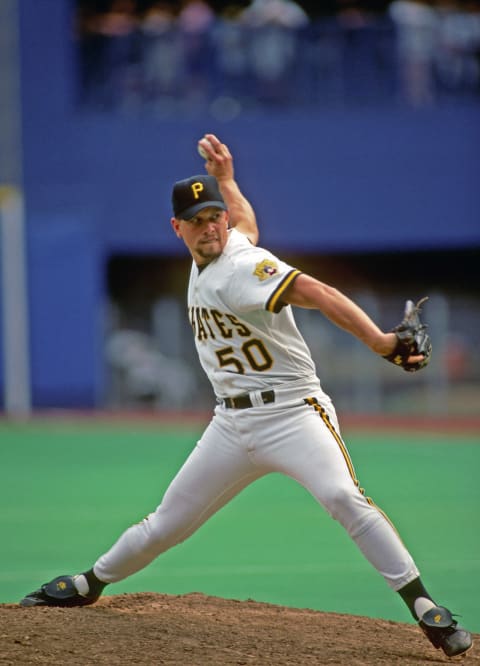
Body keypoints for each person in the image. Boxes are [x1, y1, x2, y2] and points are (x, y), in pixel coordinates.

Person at [20, 134, 472, 658]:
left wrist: (381, 342)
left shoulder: (241, 265)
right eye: (196, 219)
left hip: (292, 413)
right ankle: (90, 583)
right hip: (230, 426)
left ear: (222, 221)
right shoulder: (217, 254)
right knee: (166, 524)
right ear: (178, 228)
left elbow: (316, 293)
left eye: (215, 215)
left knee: (343, 498)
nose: (210, 225)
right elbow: (249, 225)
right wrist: (229, 181)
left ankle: (424, 607)